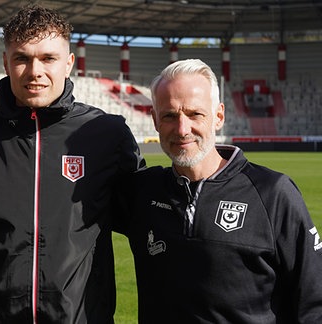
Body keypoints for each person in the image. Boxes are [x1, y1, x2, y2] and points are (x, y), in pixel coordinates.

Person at [0, 4, 145, 323]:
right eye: (22, 58)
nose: (34, 71)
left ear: (69, 63)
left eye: (48, 58)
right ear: (6, 63)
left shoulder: (106, 134)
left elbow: (142, 216)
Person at [117, 58, 322, 323]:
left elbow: (314, 301)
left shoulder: (273, 193)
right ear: (155, 120)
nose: (182, 129)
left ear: (219, 116)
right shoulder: (141, 191)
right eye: (169, 115)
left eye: (195, 114)